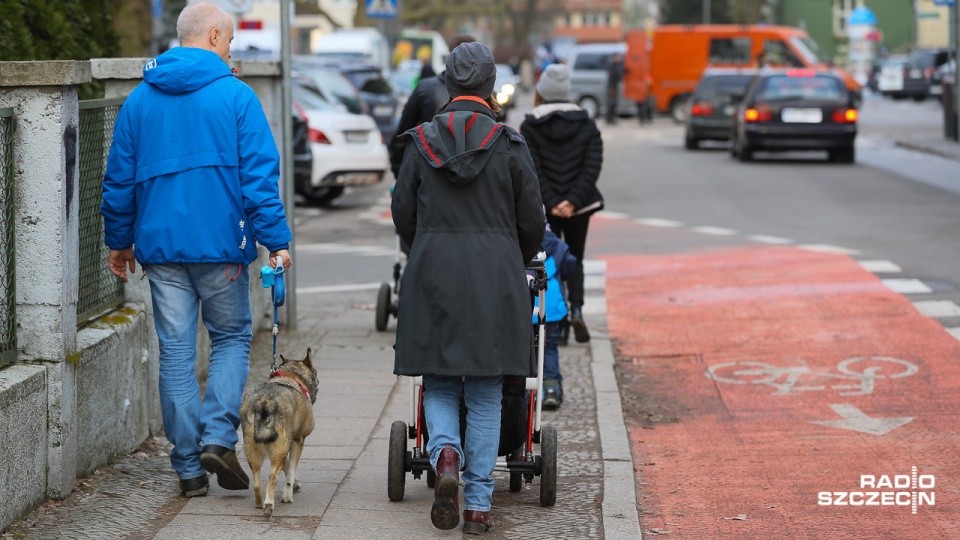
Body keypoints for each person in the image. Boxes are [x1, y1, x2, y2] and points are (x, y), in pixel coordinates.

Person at [100, 2, 293, 499]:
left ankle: (187, 468)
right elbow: (258, 179)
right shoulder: (237, 97)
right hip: (222, 246)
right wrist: (277, 240)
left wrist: (119, 243)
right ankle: (215, 437)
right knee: (230, 338)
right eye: (228, 40)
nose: (231, 50)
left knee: (177, 352)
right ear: (212, 35)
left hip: (161, 249)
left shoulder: (140, 100)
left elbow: (119, 180)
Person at [391, 42, 545, 534]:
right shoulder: (510, 144)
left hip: (432, 269)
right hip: (494, 276)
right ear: (488, 85)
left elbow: (402, 215)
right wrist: (512, 257)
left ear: (450, 84)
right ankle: (478, 504)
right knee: (484, 392)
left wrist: (425, 246)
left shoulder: (420, 142)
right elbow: (532, 223)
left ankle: (446, 456)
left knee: (437, 380)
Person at [520, 63, 603, 345]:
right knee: (576, 257)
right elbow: (593, 164)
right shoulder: (586, 123)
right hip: (580, 206)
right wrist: (573, 200)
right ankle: (578, 308)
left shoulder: (530, 125)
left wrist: (554, 202)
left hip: (546, 206)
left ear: (542, 92)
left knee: (548, 261)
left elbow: (532, 168)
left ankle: (559, 321)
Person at [388, 35, 477, 179]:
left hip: (431, 173)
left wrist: (402, 177)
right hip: (475, 180)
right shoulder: (488, 95)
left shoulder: (425, 88)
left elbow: (402, 137)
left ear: (449, 56)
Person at [536, 225, 578, 410]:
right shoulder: (558, 245)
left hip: (527, 305)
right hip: (551, 307)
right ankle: (551, 388)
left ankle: (528, 389)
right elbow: (570, 266)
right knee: (550, 347)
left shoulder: (521, 243)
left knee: (527, 349)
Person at [605, 52, 626, 124]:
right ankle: (609, 119)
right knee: (611, 103)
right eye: (618, 57)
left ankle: (612, 118)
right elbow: (614, 76)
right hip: (612, 87)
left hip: (614, 86)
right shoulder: (613, 65)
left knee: (613, 103)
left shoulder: (616, 65)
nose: (619, 58)